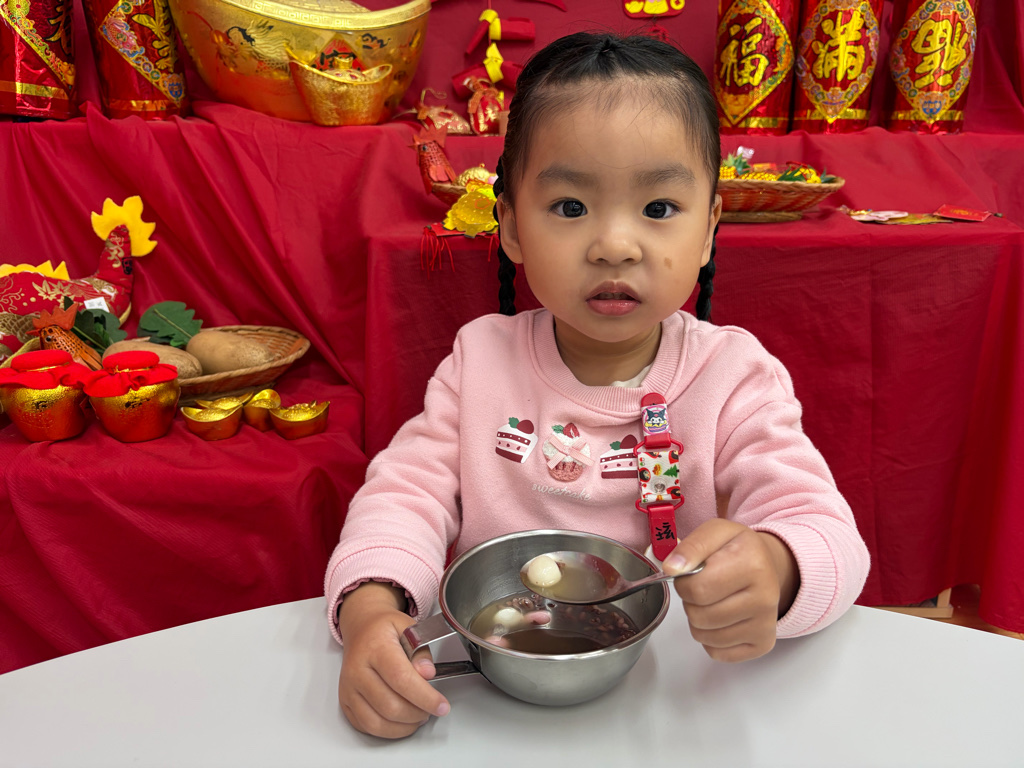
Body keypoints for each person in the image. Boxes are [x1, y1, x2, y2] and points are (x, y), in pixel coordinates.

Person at [326, 31, 870, 739]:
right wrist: (372, 609)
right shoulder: (479, 362)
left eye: (659, 208)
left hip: (681, 706)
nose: (615, 246)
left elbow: (828, 534)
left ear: (709, 228)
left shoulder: (733, 377)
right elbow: (404, 498)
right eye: (571, 207)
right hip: (496, 708)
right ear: (510, 226)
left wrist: (778, 568)